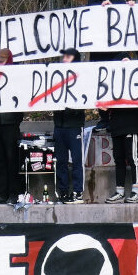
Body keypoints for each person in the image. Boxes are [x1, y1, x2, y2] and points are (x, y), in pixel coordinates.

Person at [86, 0, 126, 131]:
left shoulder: (118, 1)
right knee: (99, 84)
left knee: (114, 83)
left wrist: (115, 8)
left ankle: (114, 117)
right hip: (97, 52)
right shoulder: (93, 2)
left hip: (115, 52)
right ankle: (103, 118)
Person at [0, 48, 24, 204]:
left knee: (12, 159)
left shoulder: (16, 74)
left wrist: (16, 118)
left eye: (3, 58)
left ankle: (14, 193)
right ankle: (1, 193)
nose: (0, 60)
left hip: (10, 123)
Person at [53, 48, 85, 204]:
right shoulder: (56, 76)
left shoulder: (81, 76)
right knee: (61, 161)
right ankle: (63, 191)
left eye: (68, 56)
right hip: (59, 125)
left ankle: (78, 192)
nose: (64, 58)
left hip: (74, 125)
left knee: (77, 160)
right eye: (63, 56)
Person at [104, 105, 138, 203]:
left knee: (133, 158)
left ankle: (136, 192)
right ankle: (119, 192)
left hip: (131, 124)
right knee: (118, 159)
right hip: (116, 125)